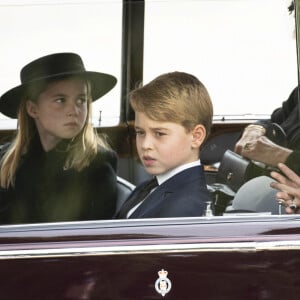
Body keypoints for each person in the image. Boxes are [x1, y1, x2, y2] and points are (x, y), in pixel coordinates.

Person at [0, 52, 118, 224]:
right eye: (60, 100)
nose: (74, 111)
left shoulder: (98, 164)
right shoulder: (7, 162)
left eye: (81, 100)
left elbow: (92, 234)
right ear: (33, 109)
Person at [114, 71, 213, 219]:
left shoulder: (185, 208)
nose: (145, 145)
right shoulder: (147, 187)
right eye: (140, 132)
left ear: (196, 136)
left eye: (159, 134)